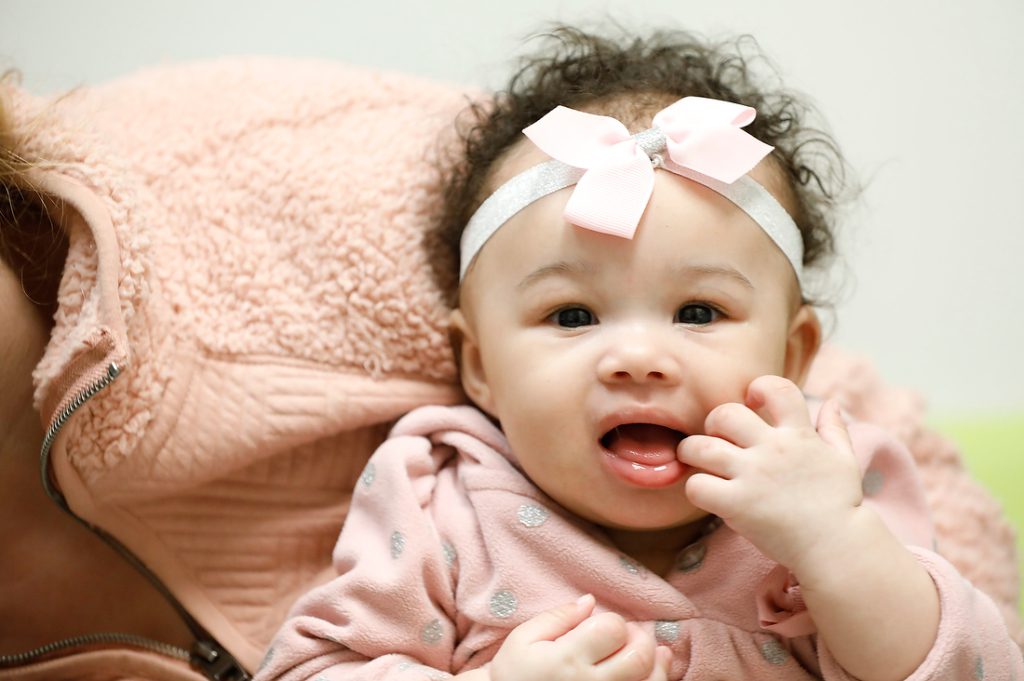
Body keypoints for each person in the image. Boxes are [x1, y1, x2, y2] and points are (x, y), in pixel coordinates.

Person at [255, 27, 1024, 681]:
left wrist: (834, 542)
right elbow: (310, 666)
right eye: (571, 314)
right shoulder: (437, 498)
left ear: (793, 356)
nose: (636, 357)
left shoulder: (831, 478)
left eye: (698, 311)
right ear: (480, 364)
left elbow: (976, 664)